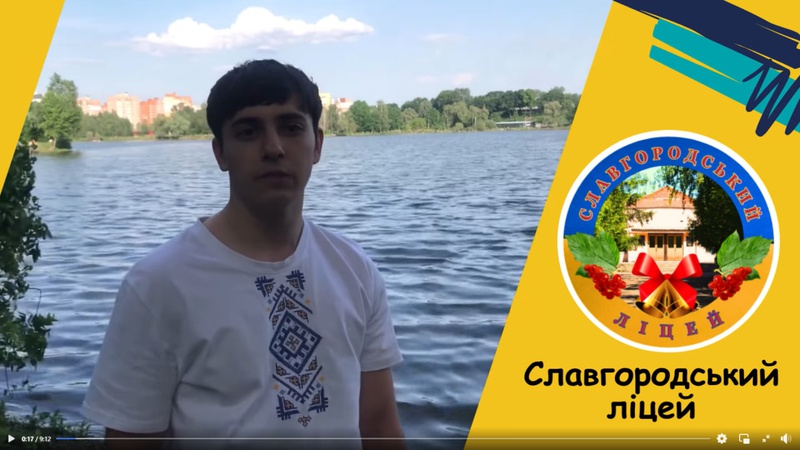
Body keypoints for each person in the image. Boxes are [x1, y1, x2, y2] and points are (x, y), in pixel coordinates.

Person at [81, 59, 406, 450]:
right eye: (248, 132)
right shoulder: (158, 285)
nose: (274, 148)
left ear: (317, 144)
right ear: (220, 153)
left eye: (291, 127)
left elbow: (379, 425)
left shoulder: (355, 270)